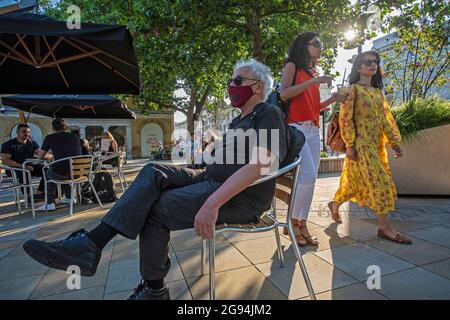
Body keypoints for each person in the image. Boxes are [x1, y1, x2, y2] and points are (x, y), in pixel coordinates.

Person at [23, 59, 288, 300]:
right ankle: (92, 244)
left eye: (238, 81)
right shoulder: (237, 121)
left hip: (241, 198)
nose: (231, 86)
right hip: (209, 178)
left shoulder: (268, 113)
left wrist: (211, 204)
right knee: (153, 171)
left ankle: (153, 290)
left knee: (157, 208)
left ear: (258, 86)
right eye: (230, 80)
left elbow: (261, 165)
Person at [328, 51, 412, 245]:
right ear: (359, 67)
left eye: (375, 62)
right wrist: (350, 144)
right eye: (367, 62)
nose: (372, 65)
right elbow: (345, 119)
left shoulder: (377, 92)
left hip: (376, 144)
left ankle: (335, 203)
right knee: (380, 182)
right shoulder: (352, 90)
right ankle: (385, 228)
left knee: (355, 183)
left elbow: (386, 119)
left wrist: (394, 142)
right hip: (360, 144)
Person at [279, 32, 344, 246]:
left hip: (313, 128)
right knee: (305, 175)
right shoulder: (292, 66)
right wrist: (314, 81)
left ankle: (301, 223)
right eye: (315, 44)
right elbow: (284, 94)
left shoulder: (311, 71)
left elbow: (313, 108)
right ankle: (292, 223)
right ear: (303, 46)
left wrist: (331, 100)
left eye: (321, 44)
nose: (320, 47)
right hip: (296, 127)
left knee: (311, 178)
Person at [36, 118, 82, 211]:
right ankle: (69, 198)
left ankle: (50, 203)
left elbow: (40, 157)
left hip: (62, 173)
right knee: (63, 168)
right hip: (78, 173)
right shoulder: (75, 137)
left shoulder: (49, 138)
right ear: (65, 127)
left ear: (53, 128)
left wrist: (50, 156)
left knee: (48, 172)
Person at [0, 123, 46, 200]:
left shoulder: (32, 142)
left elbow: (39, 153)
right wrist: (23, 166)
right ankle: (28, 196)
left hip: (30, 166)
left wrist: (50, 155)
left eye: (28, 132)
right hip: (14, 168)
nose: (27, 134)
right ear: (17, 133)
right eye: (24, 131)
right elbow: (5, 161)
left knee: (47, 169)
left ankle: (39, 191)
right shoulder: (8, 144)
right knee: (24, 172)